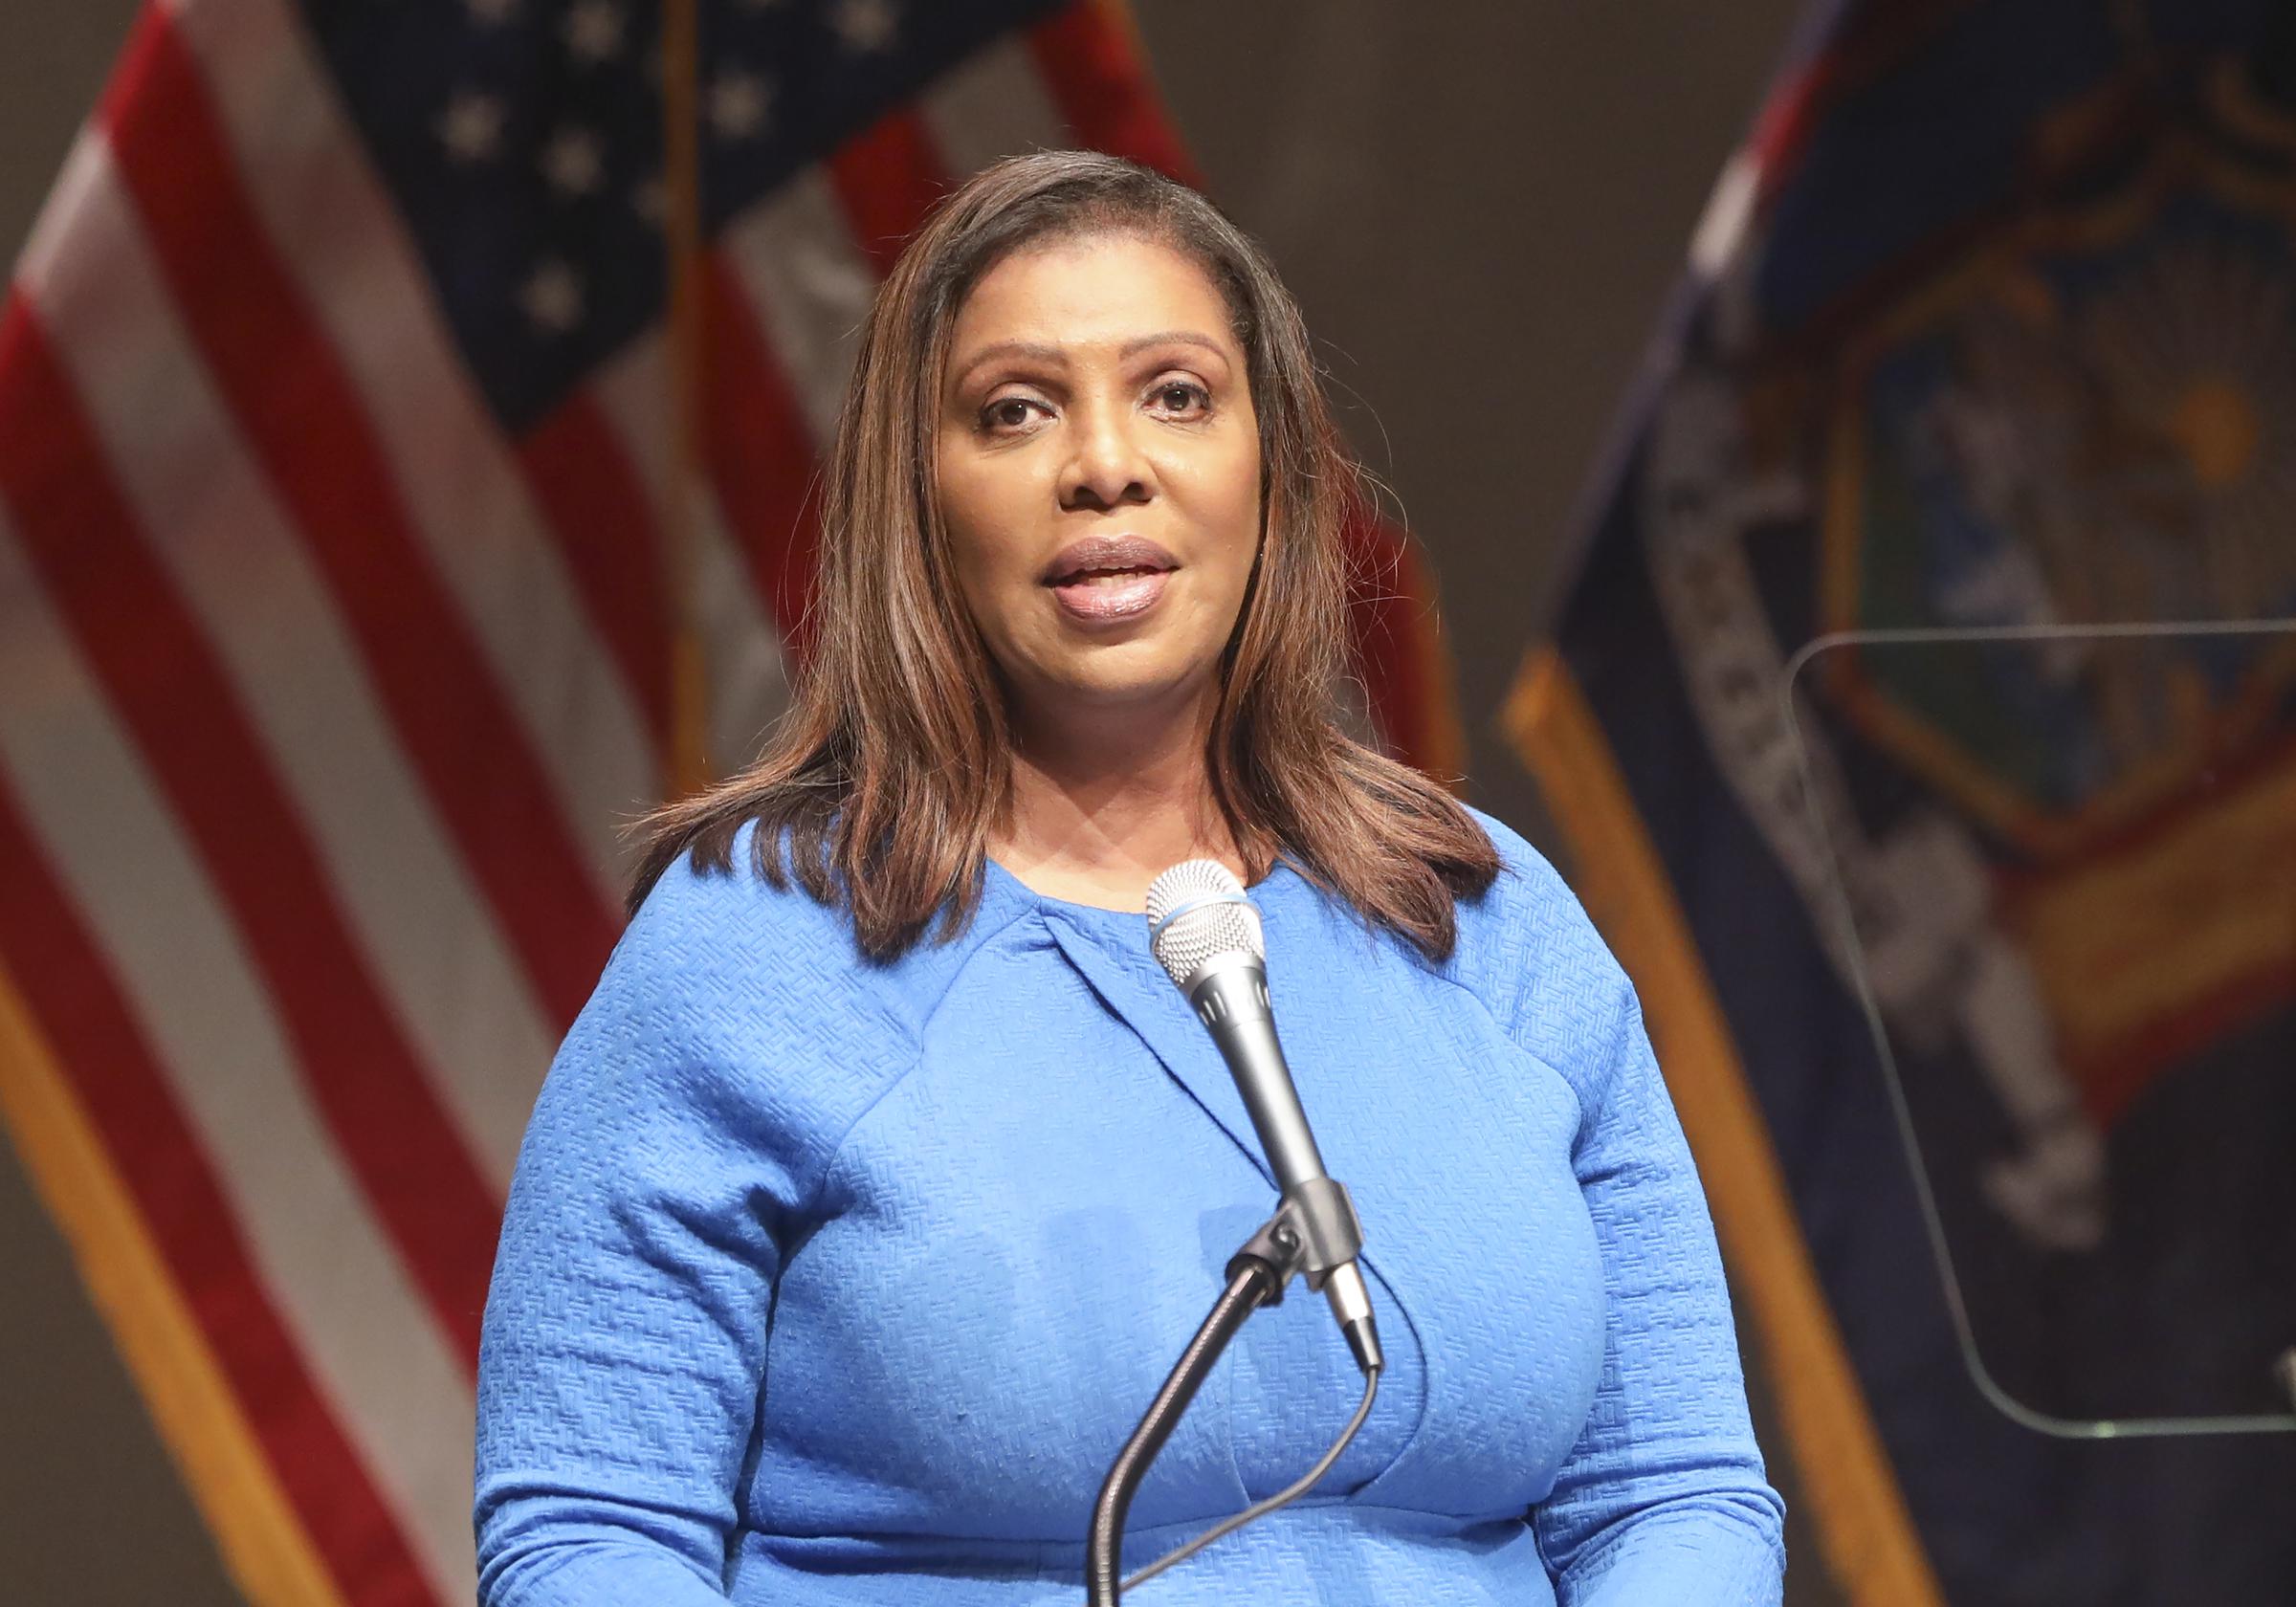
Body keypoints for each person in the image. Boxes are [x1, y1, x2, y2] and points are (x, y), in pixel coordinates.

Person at [473, 150, 1786, 1606]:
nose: (1106, 462)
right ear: (921, 498)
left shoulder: (1482, 922)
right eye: (1017, 410)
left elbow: (1673, 1497)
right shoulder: (757, 952)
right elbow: (590, 1544)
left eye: (1176, 394)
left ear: (1274, 467)